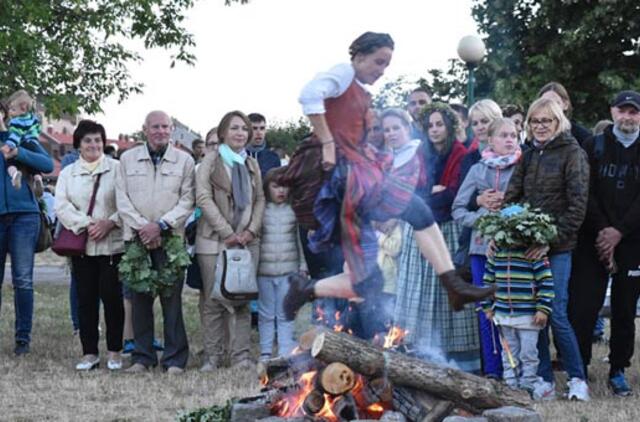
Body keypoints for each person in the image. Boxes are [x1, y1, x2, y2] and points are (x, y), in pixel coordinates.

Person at [282, 32, 494, 331]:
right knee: (415, 214)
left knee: (371, 280)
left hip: (360, 175)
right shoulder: (344, 73)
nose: (382, 70)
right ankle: (307, 289)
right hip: (350, 180)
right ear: (358, 55)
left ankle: (453, 286)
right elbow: (308, 95)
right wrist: (328, 142)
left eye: (386, 64)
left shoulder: (356, 86)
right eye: (379, 61)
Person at [504, 97, 590, 401]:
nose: (540, 126)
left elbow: (578, 206)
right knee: (532, 315)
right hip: (526, 248)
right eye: (535, 121)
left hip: (558, 247)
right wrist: (509, 228)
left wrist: (547, 240)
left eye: (546, 121)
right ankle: (542, 378)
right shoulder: (527, 155)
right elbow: (512, 197)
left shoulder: (573, 153)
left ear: (558, 122)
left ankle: (578, 378)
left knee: (554, 312)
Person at [394, 103, 480, 372]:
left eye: (439, 124)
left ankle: (458, 362)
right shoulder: (419, 153)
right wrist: (432, 194)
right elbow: (410, 190)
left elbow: (456, 194)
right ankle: (417, 354)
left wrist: (430, 196)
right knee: (417, 291)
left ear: (450, 126)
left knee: (447, 293)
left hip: (449, 229)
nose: (434, 129)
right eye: (430, 125)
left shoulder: (461, 154)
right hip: (419, 228)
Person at [567, 91, 640, 396]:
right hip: (594, 238)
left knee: (625, 307)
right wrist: (603, 231)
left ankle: (618, 369)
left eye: (633, 112)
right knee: (584, 306)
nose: (627, 117)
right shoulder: (593, 145)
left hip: (632, 239)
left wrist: (619, 232)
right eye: (622, 111)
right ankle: (579, 369)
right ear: (611, 112)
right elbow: (585, 192)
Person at [116, 110, 195, 373]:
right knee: (139, 300)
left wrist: (160, 226)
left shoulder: (184, 161)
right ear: (145, 129)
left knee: (171, 301)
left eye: (165, 126)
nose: (161, 131)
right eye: (155, 127)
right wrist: (143, 228)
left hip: (170, 239)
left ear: (171, 129)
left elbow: (187, 200)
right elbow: (121, 198)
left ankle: (174, 359)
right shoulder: (127, 159)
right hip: (137, 239)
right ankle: (142, 357)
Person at [452, 118, 522, 379]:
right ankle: (493, 369)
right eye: (503, 135)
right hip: (481, 250)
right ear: (490, 139)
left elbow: (530, 203)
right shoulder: (477, 170)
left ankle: (519, 369)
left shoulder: (523, 167)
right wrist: (481, 216)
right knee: (487, 309)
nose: (510, 140)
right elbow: (458, 209)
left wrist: (509, 208)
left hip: (514, 249)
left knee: (515, 307)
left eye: (514, 135)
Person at [195, 110, 265, 371]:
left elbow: (259, 200)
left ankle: (241, 357)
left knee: (242, 299)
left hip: (246, 242)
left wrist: (250, 231)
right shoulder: (210, 162)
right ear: (223, 132)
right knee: (214, 301)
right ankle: (213, 357)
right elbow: (203, 198)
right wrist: (227, 232)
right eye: (234, 128)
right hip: (214, 240)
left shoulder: (251, 163)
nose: (240, 133)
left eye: (244, 129)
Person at [55, 120, 125, 371]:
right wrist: (88, 224)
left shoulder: (117, 169)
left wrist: (109, 223)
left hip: (112, 246)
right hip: (82, 246)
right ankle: (89, 353)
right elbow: (61, 206)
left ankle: (115, 351)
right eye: (88, 140)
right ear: (78, 144)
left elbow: (126, 203)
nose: (93, 145)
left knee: (112, 300)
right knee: (85, 300)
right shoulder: (67, 173)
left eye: (97, 140)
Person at [481, 206, 554, 396]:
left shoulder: (534, 255)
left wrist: (543, 309)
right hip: (504, 315)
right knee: (509, 354)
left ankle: (527, 386)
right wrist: (487, 306)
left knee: (529, 354)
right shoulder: (496, 254)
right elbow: (488, 281)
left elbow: (546, 282)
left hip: (529, 317)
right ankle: (511, 387)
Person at [0, 95, 53, 355]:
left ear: (4, 115)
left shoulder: (20, 137)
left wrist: (19, 151)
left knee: (22, 280)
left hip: (24, 216)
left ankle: (23, 341)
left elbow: (46, 164)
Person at [257, 167, 307, 361]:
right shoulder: (260, 211)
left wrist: (303, 265)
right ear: (267, 187)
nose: (281, 191)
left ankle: (285, 351)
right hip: (264, 270)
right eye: (276, 186)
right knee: (266, 313)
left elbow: (299, 241)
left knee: (286, 312)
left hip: (289, 270)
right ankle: (265, 351)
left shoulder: (294, 210)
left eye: (285, 187)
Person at [3, 90, 44, 191]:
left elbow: (15, 135)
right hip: (33, 143)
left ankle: (14, 174)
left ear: (23, 109)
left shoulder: (16, 122)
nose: (10, 112)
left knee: (10, 161)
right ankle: (38, 179)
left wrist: (9, 146)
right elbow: (38, 130)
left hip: (23, 143)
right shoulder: (33, 119)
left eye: (12, 109)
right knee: (33, 165)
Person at [246, 113, 281, 178]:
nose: (259, 132)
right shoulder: (238, 156)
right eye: (254, 128)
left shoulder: (273, 158)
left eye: (262, 128)